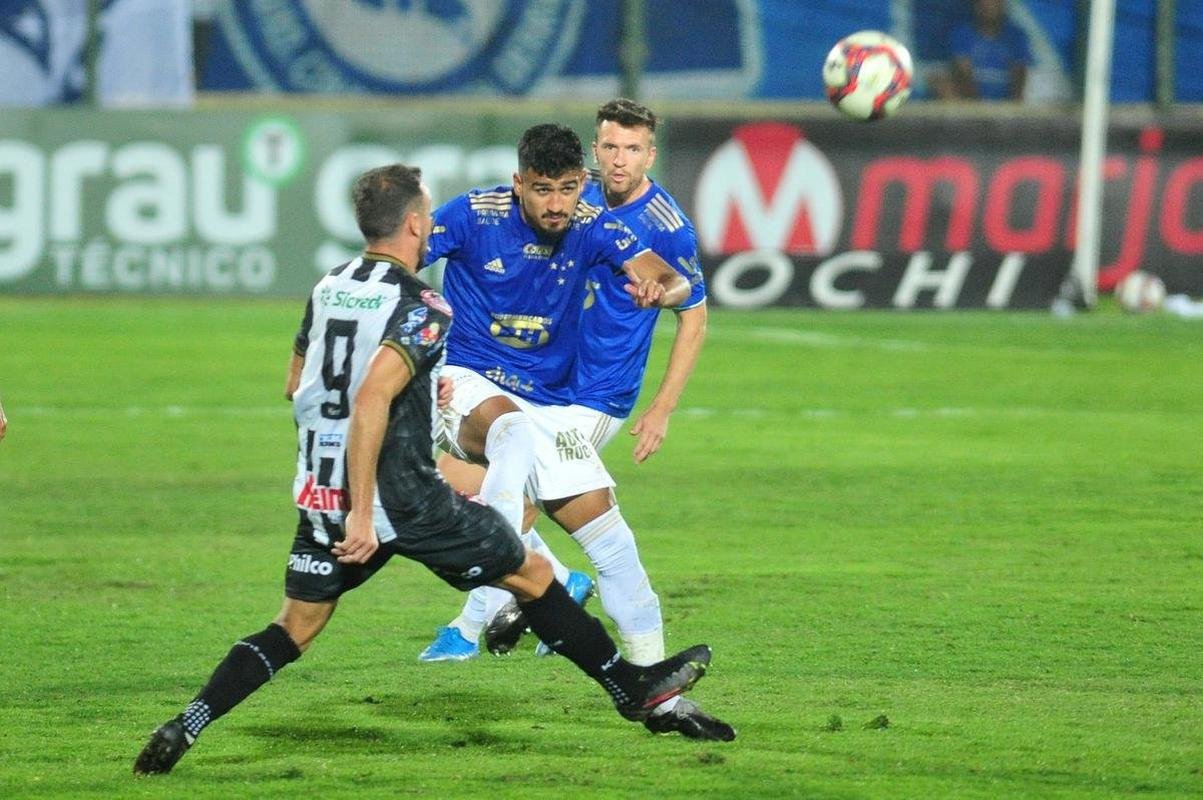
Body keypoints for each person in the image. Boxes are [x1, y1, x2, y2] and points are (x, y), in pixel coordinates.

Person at [132, 163, 711, 775]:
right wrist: (365, 507)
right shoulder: (423, 305)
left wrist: (395, 412)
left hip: (321, 490)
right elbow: (374, 396)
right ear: (414, 223)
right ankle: (631, 688)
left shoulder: (331, 284)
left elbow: (297, 380)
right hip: (396, 498)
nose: (432, 220)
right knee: (533, 573)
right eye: (428, 212)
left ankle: (186, 722)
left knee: (293, 628)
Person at [419, 114, 733, 741]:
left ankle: (657, 699)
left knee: (617, 548)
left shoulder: (595, 225)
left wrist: (659, 290)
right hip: (471, 381)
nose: (558, 204)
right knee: (504, 438)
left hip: (554, 405)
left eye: (567, 189)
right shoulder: (471, 215)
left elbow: (670, 279)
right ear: (518, 184)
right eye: (543, 190)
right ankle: (494, 583)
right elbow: (395, 260)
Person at [933, 0, 1031, 101]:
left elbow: (1020, 73)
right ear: (975, 6)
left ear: (1002, 4)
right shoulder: (962, 34)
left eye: (993, 3)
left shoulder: (1016, 35)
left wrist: (1012, 107)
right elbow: (963, 73)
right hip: (970, 102)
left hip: (1006, 103)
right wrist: (979, 108)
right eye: (983, 3)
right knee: (940, 82)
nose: (988, 6)